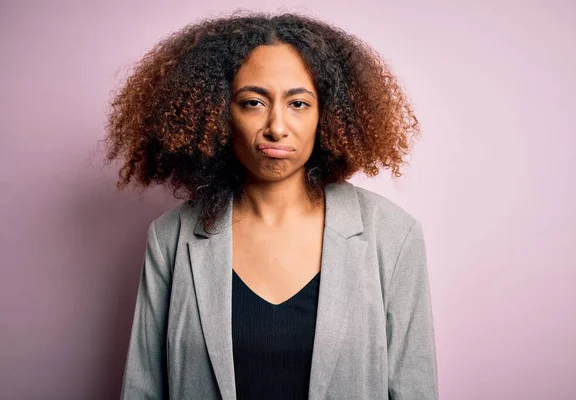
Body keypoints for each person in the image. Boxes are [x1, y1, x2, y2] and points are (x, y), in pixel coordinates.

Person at [104, 11, 438, 400]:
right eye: (252, 102)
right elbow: (143, 389)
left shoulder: (393, 236)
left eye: (298, 103)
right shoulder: (170, 238)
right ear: (217, 113)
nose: (276, 126)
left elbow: (414, 389)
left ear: (327, 116)